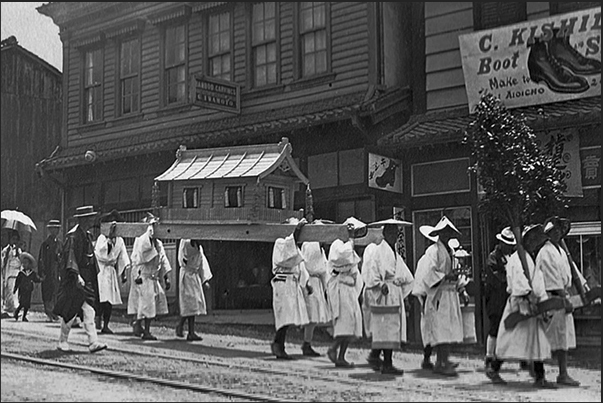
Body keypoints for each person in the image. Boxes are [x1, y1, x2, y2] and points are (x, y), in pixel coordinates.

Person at [494, 224, 557, 388]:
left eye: (537, 240)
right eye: (532, 239)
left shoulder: (530, 258)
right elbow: (518, 282)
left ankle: (539, 376)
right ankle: (494, 366)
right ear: (526, 240)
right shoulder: (516, 259)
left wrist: (542, 301)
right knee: (510, 338)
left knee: (537, 338)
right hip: (520, 302)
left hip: (532, 302)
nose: (534, 242)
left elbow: (538, 282)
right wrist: (528, 296)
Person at [53, 205, 107, 353]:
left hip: (85, 278)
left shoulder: (87, 235)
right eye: (89, 218)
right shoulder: (73, 236)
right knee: (70, 311)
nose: (91, 220)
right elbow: (70, 258)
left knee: (89, 310)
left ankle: (93, 342)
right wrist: (77, 276)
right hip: (74, 278)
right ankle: (62, 341)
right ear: (83, 220)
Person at [362, 223, 414, 375]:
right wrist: (379, 284)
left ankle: (376, 356)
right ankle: (386, 362)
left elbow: (404, 273)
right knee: (386, 328)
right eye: (390, 232)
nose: (393, 236)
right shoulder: (378, 251)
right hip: (384, 292)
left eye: (396, 233)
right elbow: (371, 271)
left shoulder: (394, 253)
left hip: (394, 291)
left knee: (391, 327)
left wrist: (404, 293)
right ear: (384, 233)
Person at [536, 216, 582, 387]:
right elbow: (551, 278)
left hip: (563, 295)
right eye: (553, 231)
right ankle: (539, 375)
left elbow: (568, 275)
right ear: (548, 234)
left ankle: (563, 373)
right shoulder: (545, 252)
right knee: (545, 337)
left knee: (563, 338)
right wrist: (565, 298)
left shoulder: (562, 252)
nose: (557, 233)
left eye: (559, 230)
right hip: (551, 297)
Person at [420, 216, 464, 376]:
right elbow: (429, 273)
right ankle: (439, 362)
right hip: (439, 294)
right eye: (443, 233)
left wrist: (461, 289)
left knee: (449, 328)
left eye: (448, 233)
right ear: (438, 233)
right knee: (441, 329)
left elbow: (456, 271)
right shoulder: (433, 251)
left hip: (450, 294)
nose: (446, 236)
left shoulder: (450, 251)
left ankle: (444, 360)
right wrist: (445, 277)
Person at [127, 213, 172, 340]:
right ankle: (146, 331)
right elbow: (143, 254)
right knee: (146, 304)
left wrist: (166, 276)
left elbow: (163, 259)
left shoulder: (158, 243)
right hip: (143, 274)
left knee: (149, 303)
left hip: (152, 276)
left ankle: (138, 324)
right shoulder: (142, 240)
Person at [270, 219, 310, 359]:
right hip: (282, 283)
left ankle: (279, 345)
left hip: (291, 283)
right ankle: (278, 346)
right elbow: (286, 255)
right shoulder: (280, 242)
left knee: (288, 317)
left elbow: (299, 265)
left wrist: (306, 283)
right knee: (284, 317)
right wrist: (297, 231)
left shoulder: (293, 245)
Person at [483, 226, 517, 383]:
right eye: (506, 243)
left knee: (505, 329)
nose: (508, 246)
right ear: (500, 242)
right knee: (495, 328)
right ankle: (490, 357)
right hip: (495, 298)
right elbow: (498, 278)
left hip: (507, 298)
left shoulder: (511, 256)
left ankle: (498, 356)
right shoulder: (493, 257)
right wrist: (508, 273)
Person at [325, 238, 364, 368]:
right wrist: (350, 243)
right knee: (344, 324)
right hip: (342, 291)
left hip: (350, 291)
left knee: (352, 325)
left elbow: (354, 272)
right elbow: (341, 259)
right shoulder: (337, 247)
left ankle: (341, 356)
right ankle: (333, 348)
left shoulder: (351, 252)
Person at [94, 212, 130, 334]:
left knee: (109, 300)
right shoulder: (102, 238)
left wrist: (123, 273)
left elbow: (123, 256)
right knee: (101, 298)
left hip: (111, 271)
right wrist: (109, 240)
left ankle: (106, 324)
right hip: (101, 270)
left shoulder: (120, 240)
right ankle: (97, 318)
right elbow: (100, 252)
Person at [412, 225, 440, 370]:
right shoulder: (426, 259)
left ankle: (436, 357)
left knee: (436, 327)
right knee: (429, 327)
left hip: (436, 295)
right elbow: (423, 279)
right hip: (429, 296)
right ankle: (427, 357)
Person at [177, 239, 213, 341]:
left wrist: (205, 279)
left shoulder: (199, 248)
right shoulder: (185, 242)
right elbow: (182, 258)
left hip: (194, 276)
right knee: (190, 303)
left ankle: (184, 328)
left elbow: (202, 263)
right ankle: (188, 330)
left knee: (194, 304)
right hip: (187, 275)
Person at [300, 241, 331, 356]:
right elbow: (304, 264)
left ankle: (307, 343)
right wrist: (306, 282)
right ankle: (306, 344)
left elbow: (324, 269)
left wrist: (325, 287)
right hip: (310, 281)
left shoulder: (321, 249)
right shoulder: (309, 245)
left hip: (317, 282)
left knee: (315, 315)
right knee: (311, 315)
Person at [37, 219, 62, 322]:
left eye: (57, 229)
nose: (55, 231)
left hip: (57, 271)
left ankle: (55, 313)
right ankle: (49, 312)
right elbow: (41, 259)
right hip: (48, 271)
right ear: (50, 230)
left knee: (56, 291)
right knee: (47, 291)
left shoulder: (60, 244)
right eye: (53, 229)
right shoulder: (45, 244)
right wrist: (42, 272)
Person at [13, 252, 42, 322]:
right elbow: (17, 281)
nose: (25, 265)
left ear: (30, 264)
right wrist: (15, 288)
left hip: (28, 290)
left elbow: (36, 279)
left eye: (26, 263)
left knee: (27, 304)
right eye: (24, 263)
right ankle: (16, 312)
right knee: (22, 303)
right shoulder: (21, 273)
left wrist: (41, 279)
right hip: (22, 290)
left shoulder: (32, 273)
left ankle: (24, 316)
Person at [2, 230, 23, 318]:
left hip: (17, 273)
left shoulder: (19, 251)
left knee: (15, 292)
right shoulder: (6, 250)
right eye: (13, 239)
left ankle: (15, 309)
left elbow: (22, 261)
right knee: (9, 291)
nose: (14, 241)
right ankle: (10, 308)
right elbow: (3, 262)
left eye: (16, 239)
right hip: (9, 273)